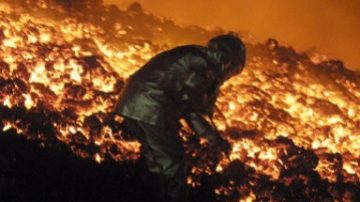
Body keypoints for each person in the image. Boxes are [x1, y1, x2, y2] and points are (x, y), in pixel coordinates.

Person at [114, 33, 246, 202]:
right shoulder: (203, 65)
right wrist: (215, 139)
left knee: (157, 162)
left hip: (137, 103)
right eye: (233, 70)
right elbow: (190, 109)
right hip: (151, 107)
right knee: (172, 164)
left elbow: (190, 98)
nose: (229, 76)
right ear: (228, 61)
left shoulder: (198, 58)